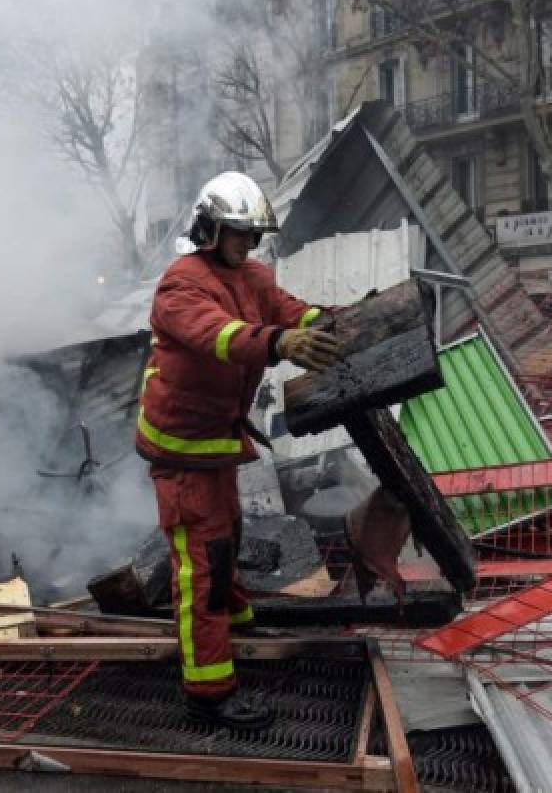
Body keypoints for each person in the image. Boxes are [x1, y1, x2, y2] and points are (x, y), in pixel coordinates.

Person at [136, 172, 339, 730]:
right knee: (201, 567)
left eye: (253, 237)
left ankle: (236, 620)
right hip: (182, 450)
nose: (247, 246)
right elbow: (217, 335)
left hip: (216, 442)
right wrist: (277, 341)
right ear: (210, 229)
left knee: (228, 537)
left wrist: (330, 324)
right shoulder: (181, 285)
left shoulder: (250, 275)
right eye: (238, 234)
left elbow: (286, 307)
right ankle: (208, 692)